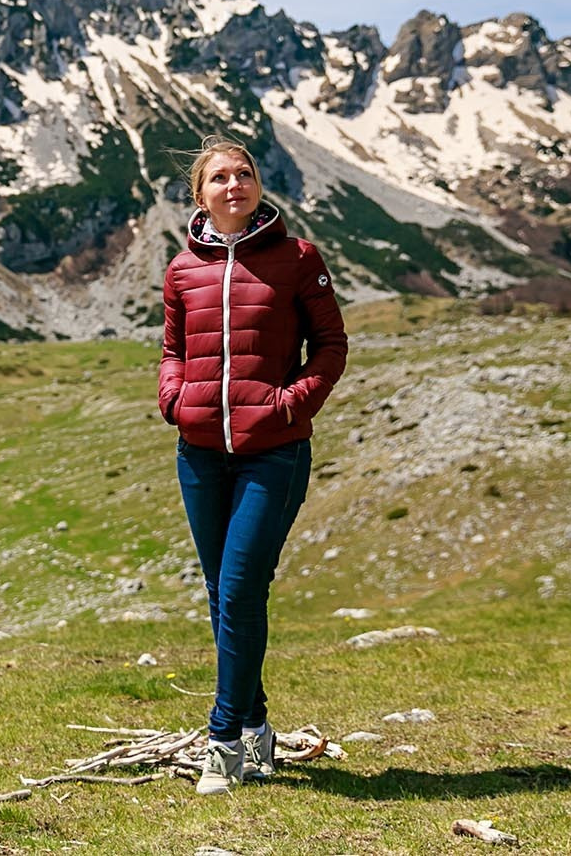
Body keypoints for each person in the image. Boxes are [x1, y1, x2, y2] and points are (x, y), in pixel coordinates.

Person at [158, 136, 347, 795]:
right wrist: (174, 399)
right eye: (219, 177)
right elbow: (173, 348)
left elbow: (330, 345)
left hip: (276, 453)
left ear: (259, 185)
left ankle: (223, 741)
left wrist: (292, 403)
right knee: (222, 597)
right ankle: (261, 726)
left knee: (238, 590)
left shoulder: (298, 259)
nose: (233, 184)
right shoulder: (183, 269)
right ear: (200, 194)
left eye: (244, 173)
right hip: (200, 454)